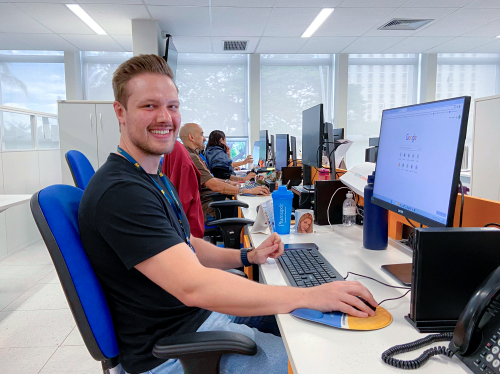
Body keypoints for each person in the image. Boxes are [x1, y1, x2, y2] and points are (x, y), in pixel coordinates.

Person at [78, 54, 377, 374]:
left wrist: (249, 256)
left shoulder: (152, 177)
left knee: (319, 326)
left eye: (172, 105)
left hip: (194, 319)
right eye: (149, 106)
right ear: (120, 112)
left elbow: (189, 245)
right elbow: (193, 286)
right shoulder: (122, 192)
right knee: (321, 361)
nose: (165, 117)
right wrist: (310, 294)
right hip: (171, 351)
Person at [178, 123, 269, 220]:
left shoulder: (193, 155)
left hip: (206, 202)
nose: (205, 138)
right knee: (248, 211)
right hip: (207, 208)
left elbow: (210, 179)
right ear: (191, 137)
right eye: (201, 134)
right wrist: (247, 190)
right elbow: (214, 185)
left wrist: (229, 182)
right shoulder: (192, 158)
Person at [162, 140, 204, 239]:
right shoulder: (184, 161)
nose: (204, 139)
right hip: (187, 228)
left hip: (186, 230)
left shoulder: (176, 153)